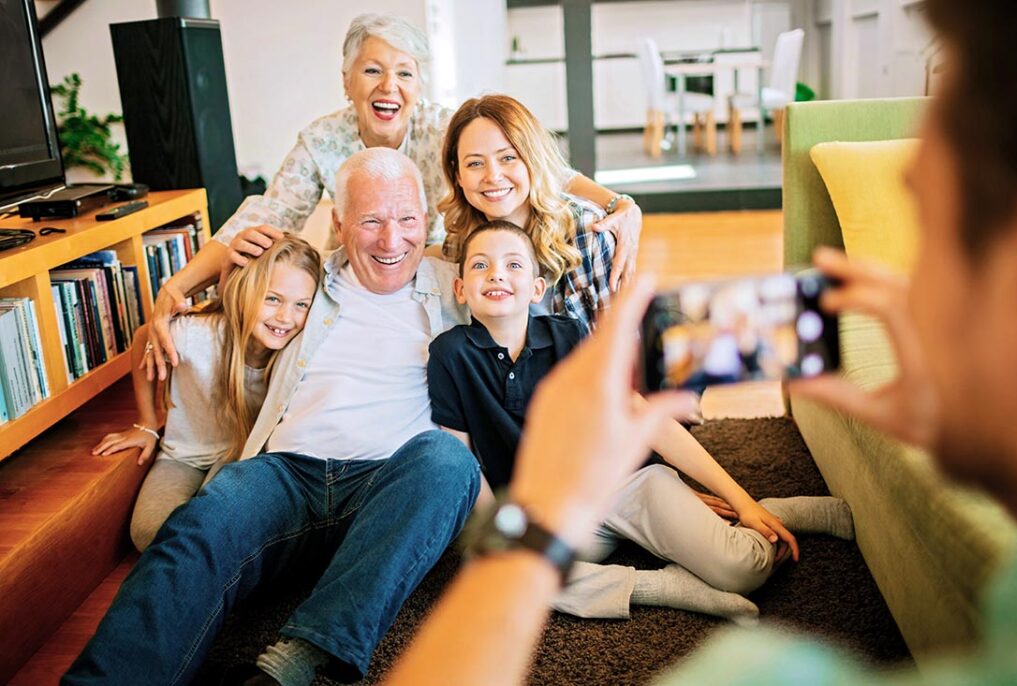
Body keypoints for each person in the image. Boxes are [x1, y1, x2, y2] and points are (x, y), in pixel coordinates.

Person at [382, 0, 1017, 683]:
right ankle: (659, 580)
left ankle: (730, 514)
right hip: (531, 476)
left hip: (609, 450)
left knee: (638, 514)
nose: (490, 178)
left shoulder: (583, 241)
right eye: (471, 166)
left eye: (506, 159)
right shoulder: (449, 262)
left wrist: (619, 213)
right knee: (501, 539)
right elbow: (396, 254)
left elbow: (626, 396)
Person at [63, 148, 482, 686]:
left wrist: (607, 213)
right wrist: (207, 274)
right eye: (371, 220)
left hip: (392, 481)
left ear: (426, 221)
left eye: (406, 219)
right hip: (284, 473)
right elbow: (209, 302)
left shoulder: (461, 283)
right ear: (337, 223)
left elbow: (534, 291)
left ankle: (292, 665)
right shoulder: (301, 276)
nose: (390, 239)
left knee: (448, 461)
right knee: (200, 526)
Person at [145, 13, 642, 381]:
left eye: (405, 73)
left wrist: (620, 205)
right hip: (377, 273)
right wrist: (179, 284)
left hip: (453, 271)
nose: (390, 86)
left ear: (419, 85)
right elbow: (265, 213)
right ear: (346, 82)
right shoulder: (322, 139)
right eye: (372, 71)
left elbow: (541, 168)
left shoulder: (447, 127)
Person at [427, 220, 853, 623]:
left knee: (746, 570)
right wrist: (505, 536)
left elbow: (647, 417)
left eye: (513, 265)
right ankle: (661, 586)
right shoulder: (449, 354)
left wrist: (742, 502)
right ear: (461, 289)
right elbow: (465, 463)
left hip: (622, 486)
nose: (497, 275)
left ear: (537, 287)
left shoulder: (567, 335)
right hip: (550, 517)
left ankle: (775, 512)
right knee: (498, 566)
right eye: (481, 265)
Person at [91, 235, 321, 551]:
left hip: (243, 456)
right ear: (245, 292)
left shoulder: (298, 350)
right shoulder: (197, 336)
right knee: (148, 532)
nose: (285, 317)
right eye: (272, 299)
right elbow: (145, 336)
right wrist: (146, 422)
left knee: (216, 521)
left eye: (301, 305)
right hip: (183, 455)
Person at [439, 94, 623, 330]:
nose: (493, 176)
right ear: (458, 176)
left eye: (508, 158)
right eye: (475, 163)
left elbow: (622, 342)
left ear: (531, 161)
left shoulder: (588, 231)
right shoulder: (460, 246)